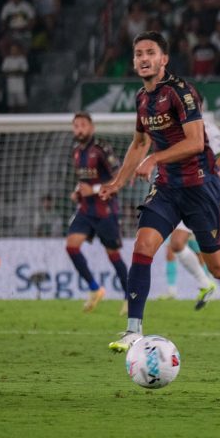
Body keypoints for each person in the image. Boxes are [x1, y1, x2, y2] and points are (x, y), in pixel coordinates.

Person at [101, 31, 220, 353]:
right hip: (167, 188)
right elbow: (140, 142)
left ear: (164, 59)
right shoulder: (142, 98)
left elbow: (196, 142)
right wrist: (118, 181)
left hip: (200, 188)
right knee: (143, 246)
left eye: (150, 52)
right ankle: (133, 331)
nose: (144, 58)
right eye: (139, 53)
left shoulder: (181, 92)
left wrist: (155, 159)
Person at [165, 114, 220, 319]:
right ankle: (205, 284)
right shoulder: (174, 131)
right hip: (188, 196)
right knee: (176, 243)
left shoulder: (210, 130)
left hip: (213, 197)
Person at [66, 112, 128, 313]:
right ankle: (94, 289)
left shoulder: (102, 149)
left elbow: (118, 177)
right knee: (71, 246)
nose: (79, 129)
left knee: (113, 254)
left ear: (91, 128)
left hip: (105, 209)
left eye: (83, 125)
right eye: (76, 126)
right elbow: (84, 180)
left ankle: (130, 296)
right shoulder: (76, 151)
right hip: (86, 209)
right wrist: (78, 191)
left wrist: (93, 190)